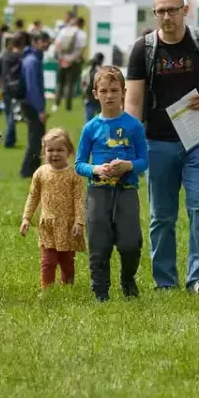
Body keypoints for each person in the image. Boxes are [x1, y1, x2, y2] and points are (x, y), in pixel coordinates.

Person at [125, 0, 199, 294]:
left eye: (172, 10)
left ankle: (198, 278)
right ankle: (165, 282)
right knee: (162, 215)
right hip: (158, 142)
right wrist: (132, 145)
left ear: (185, 10)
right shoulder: (143, 49)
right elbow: (133, 102)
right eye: (160, 11)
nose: (166, 17)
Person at [76, 66, 148, 301]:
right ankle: (100, 292)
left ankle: (128, 279)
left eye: (114, 90)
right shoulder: (90, 128)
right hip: (98, 191)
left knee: (129, 242)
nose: (109, 96)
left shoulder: (134, 126)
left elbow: (144, 161)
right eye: (104, 91)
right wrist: (95, 169)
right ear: (95, 93)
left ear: (124, 92)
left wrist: (128, 166)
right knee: (99, 243)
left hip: (126, 190)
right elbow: (79, 164)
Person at [20, 128, 86, 292]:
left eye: (60, 150)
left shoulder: (74, 174)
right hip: (48, 225)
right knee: (48, 261)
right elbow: (33, 196)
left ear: (69, 152)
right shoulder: (40, 173)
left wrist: (79, 222)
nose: (55, 154)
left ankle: (67, 288)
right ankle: (47, 290)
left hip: (68, 226)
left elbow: (79, 199)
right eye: (50, 150)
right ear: (44, 151)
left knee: (67, 261)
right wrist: (26, 218)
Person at [20, 31, 49, 178]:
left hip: (30, 103)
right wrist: (40, 109)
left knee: (36, 137)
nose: (46, 44)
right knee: (36, 138)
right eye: (43, 41)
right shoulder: (32, 60)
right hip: (31, 104)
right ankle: (27, 170)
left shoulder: (32, 58)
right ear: (35, 42)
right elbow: (33, 87)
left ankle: (32, 169)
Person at [53, 16, 87, 111]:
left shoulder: (64, 31)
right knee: (70, 84)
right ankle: (68, 106)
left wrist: (61, 58)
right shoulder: (82, 34)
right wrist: (71, 60)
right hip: (74, 62)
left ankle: (56, 103)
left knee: (60, 83)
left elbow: (57, 44)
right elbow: (81, 50)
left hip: (62, 60)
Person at [1, 32, 26, 150]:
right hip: (16, 89)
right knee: (13, 114)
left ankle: (12, 138)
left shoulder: (5, 56)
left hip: (6, 87)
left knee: (8, 114)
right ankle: (9, 140)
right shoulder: (21, 58)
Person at [82, 52, 106, 122]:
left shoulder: (87, 69)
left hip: (88, 98)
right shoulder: (103, 70)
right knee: (102, 121)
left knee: (89, 121)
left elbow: (83, 83)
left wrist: (84, 94)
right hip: (100, 99)